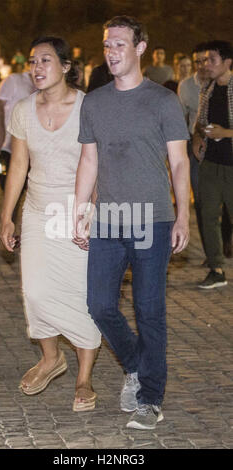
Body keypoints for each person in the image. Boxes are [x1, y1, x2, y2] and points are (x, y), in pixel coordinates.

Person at [74, 15, 190, 429]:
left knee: (149, 310)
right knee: (99, 304)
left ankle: (150, 397)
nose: (111, 52)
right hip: (108, 219)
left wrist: (183, 215)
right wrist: (80, 208)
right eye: (107, 45)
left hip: (153, 220)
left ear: (141, 48)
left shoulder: (163, 101)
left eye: (120, 44)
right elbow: (89, 159)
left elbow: (178, 162)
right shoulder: (95, 101)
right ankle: (138, 364)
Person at [0, 36, 101, 411]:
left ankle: (84, 377)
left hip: (77, 213)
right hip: (38, 211)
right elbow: (19, 166)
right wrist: (6, 215)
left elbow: (99, 164)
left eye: (45, 60)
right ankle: (51, 357)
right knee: (36, 293)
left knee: (79, 295)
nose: (37, 67)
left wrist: (94, 214)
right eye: (32, 61)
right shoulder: (23, 109)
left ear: (66, 67)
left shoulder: (88, 108)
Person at [193, 40, 233, 289]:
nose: (207, 64)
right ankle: (216, 269)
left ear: (228, 62)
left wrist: (226, 133)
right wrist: (198, 136)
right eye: (206, 60)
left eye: (212, 60)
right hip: (209, 162)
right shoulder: (207, 89)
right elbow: (199, 121)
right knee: (208, 217)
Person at [178, 44, 209, 250]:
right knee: (199, 197)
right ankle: (209, 247)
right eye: (197, 61)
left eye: (204, 61)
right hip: (194, 143)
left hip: (221, 144)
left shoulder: (223, 84)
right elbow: (181, 119)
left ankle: (224, 237)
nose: (201, 65)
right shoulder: (186, 86)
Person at [0, 64, 35, 190]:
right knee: (10, 187)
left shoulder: (44, 84)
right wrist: (1, 133)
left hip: (32, 146)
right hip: (8, 144)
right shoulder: (15, 80)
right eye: (34, 61)